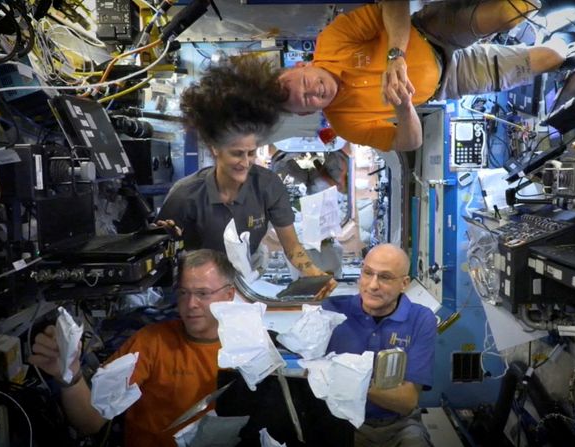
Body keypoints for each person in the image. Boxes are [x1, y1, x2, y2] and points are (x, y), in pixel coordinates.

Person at [278, 0, 569, 152]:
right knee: (552, 59)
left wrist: (396, 55)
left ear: (301, 66)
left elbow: (394, 4)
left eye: (305, 83)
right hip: (450, 80)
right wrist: (404, 109)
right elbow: (409, 142)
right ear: (306, 114)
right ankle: (571, 40)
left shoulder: (333, 40)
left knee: (511, 12)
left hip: (431, 32)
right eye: (307, 101)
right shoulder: (345, 125)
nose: (315, 91)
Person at [28, 249, 237, 447]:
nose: (190, 304)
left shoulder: (247, 349)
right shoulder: (151, 342)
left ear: (229, 295)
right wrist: (69, 376)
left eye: (203, 293)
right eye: (183, 292)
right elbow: (90, 421)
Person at [156, 57, 335, 287]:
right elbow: (163, 257)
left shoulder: (268, 185)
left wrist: (317, 276)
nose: (245, 162)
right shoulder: (185, 195)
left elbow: (293, 248)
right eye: (237, 154)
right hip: (198, 285)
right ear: (215, 149)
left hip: (246, 280)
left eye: (251, 153)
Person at [322, 243, 436, 446]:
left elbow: (407, 402)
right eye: (368, 273)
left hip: (397, 425)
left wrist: (345, 380)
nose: (373, 285)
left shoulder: (421, 319)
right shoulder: (331, 311)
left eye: (385, 277)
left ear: (404, 283)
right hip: (341, 421)